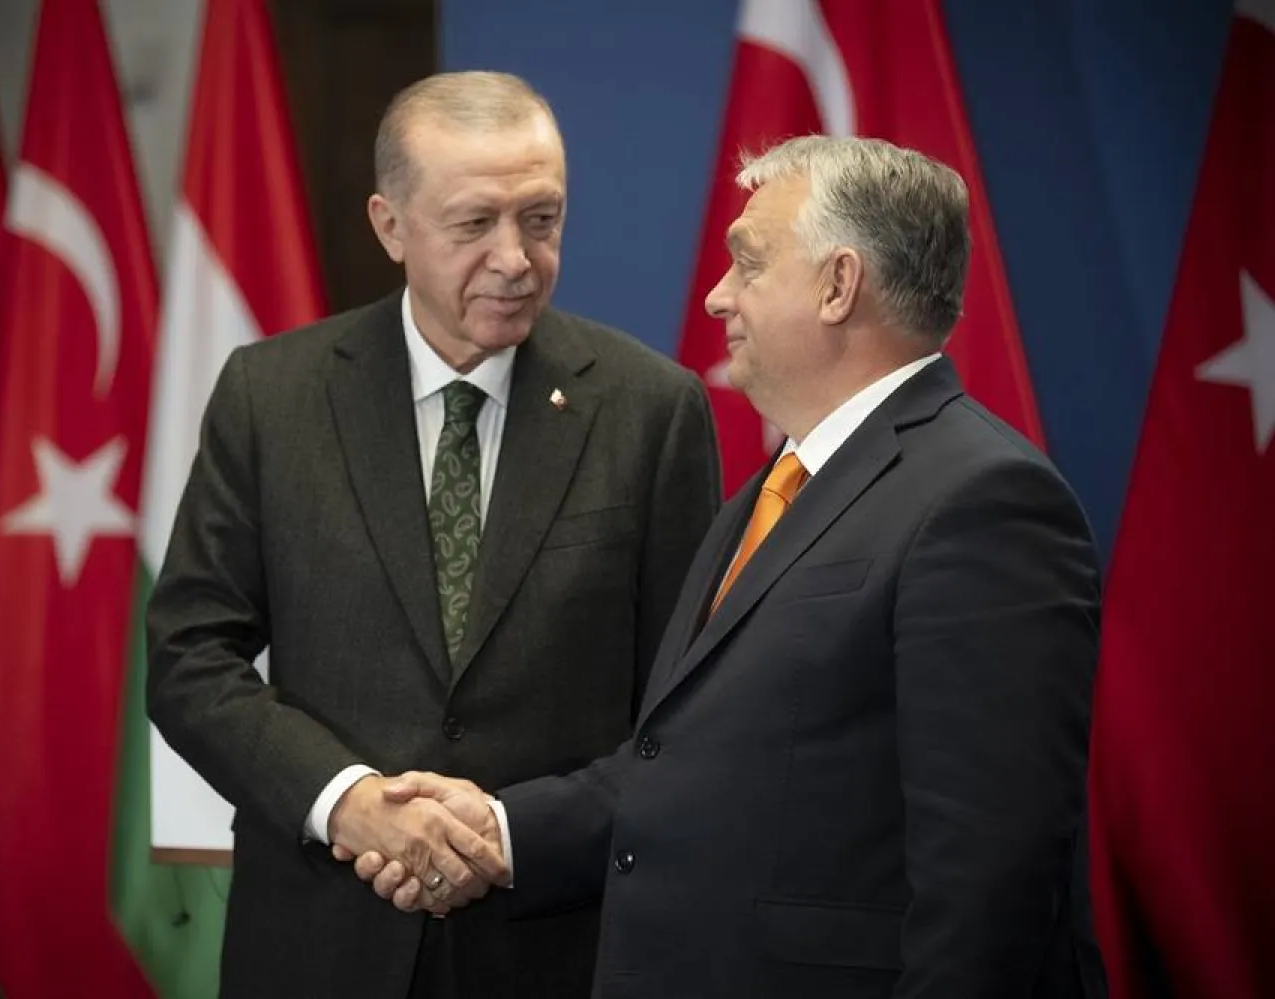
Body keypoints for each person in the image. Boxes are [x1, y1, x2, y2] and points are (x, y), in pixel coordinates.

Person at [352, 135, 1107, 998]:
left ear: (838, 285)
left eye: (747, 262)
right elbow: (685, 763)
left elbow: (988, 886)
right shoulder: (768, 497)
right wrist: (495, 828)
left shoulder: (985, 502)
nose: (716, 296)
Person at [144, 70, 722, 999]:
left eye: (542, 218)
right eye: (473, 223)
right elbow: (188, 658)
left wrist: (507, 830)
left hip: (555, 947)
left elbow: (688, 713)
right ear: (389, 226)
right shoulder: (273, 396)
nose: (515, 258)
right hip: (321, 943)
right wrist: (350, 805)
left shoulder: (652, 411)